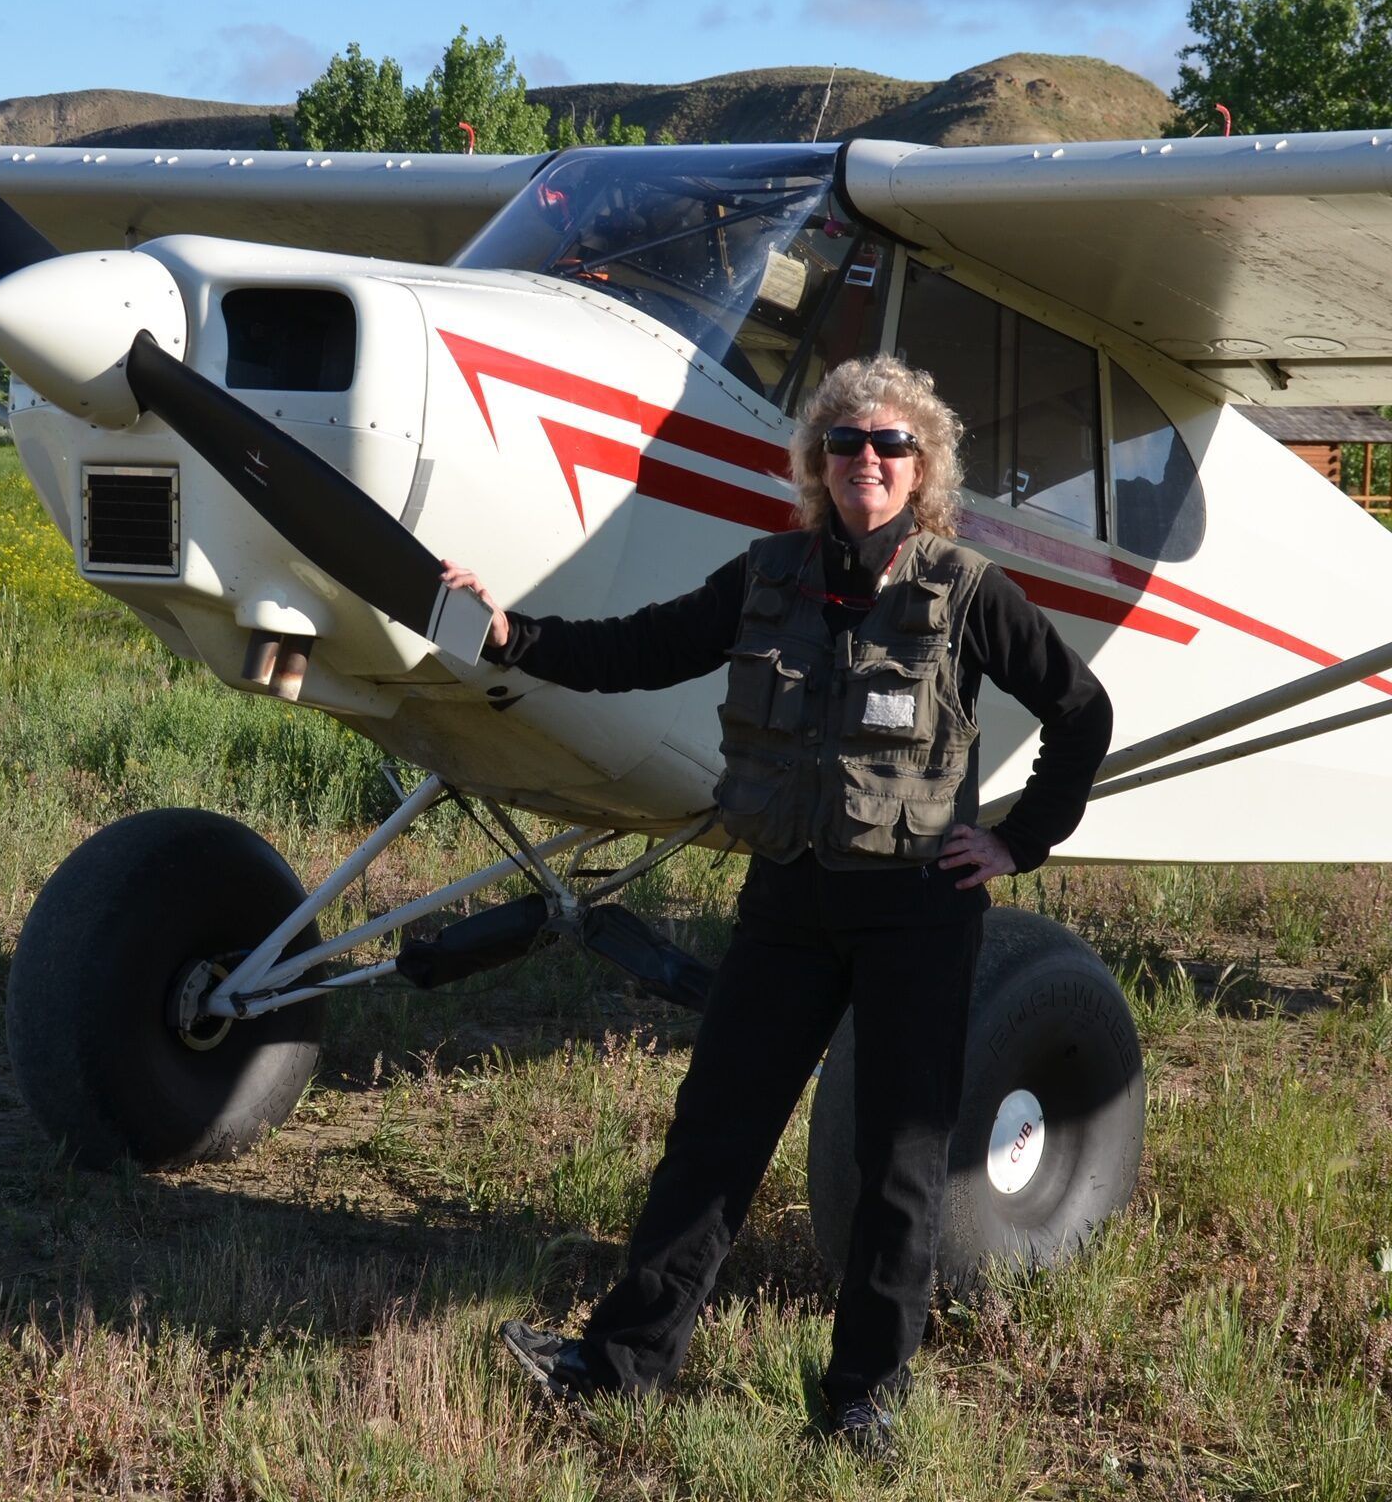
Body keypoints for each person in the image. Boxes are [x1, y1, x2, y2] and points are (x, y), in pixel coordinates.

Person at [440, 354, 1112, 1450]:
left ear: (923, 465)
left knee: (898, 1158)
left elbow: (1081, 712)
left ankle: (863, 1399)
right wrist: (515, 633)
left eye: (891, 446)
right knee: (714, 1133)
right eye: (846, 444)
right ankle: (619, 1365)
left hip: (917, 910)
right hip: (788, 904)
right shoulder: (766, 575)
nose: (867, 464)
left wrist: (1020, 840)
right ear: (818, 463)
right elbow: (640, 649)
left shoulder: (967, 591)